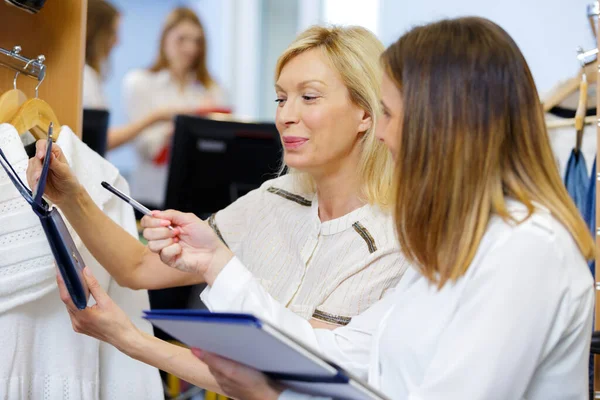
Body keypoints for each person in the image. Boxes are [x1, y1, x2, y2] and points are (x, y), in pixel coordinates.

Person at [53, 17, 594, 399]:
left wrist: (271, 396)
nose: (381, 133)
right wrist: (215, 266)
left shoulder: (524, 252)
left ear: (445, 123)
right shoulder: (458, 243)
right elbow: (347, 357)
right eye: (280, 98)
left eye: (387, 113)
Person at [27, 24, 407, 389]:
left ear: (366, 113)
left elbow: (288, 379)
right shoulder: (272, 200)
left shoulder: (390, 241)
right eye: (280, 98)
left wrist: (125, 336)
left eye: (308, 97)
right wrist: (72, 197)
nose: (285, 115)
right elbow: (139, 267)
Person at [124, 7, 228, 208]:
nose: (190, 49)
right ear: (165, 40)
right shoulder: (140, 82)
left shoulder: (213, 90)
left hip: (198, 195)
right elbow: (147, 149)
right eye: (181, 39)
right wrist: (178, 131)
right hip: (152, 195)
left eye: (197, 41)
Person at [83, 0, 197, 150]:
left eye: (196, 41)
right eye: (113, 32)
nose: (190, 49)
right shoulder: (85, 79)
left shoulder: (208, 87)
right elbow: (97, 140)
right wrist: (156, 117)